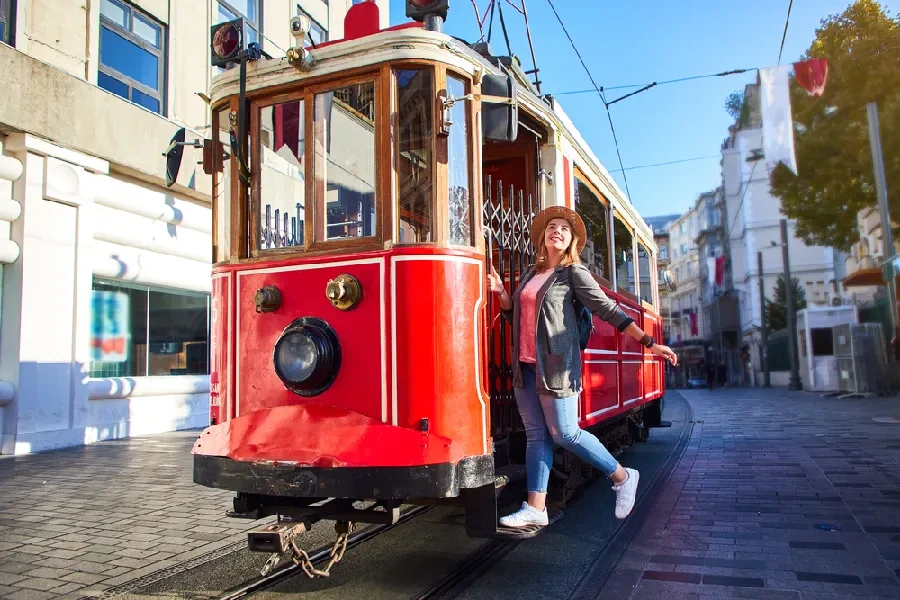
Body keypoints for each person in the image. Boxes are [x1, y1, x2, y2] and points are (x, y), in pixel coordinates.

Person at [487, 205, 678, 528]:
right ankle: (536, 507)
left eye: (563, 228)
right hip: (527, 367)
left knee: (567, 433)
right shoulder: (532, 275)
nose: (556, 231)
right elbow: (517, 318)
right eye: (551, 227)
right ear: (543, 237)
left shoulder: (573, 273)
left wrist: (649, 342)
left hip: (558, 368)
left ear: (572, 239)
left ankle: (622, 476)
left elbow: (608, 310)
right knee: (537, 436)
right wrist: (504, 294)